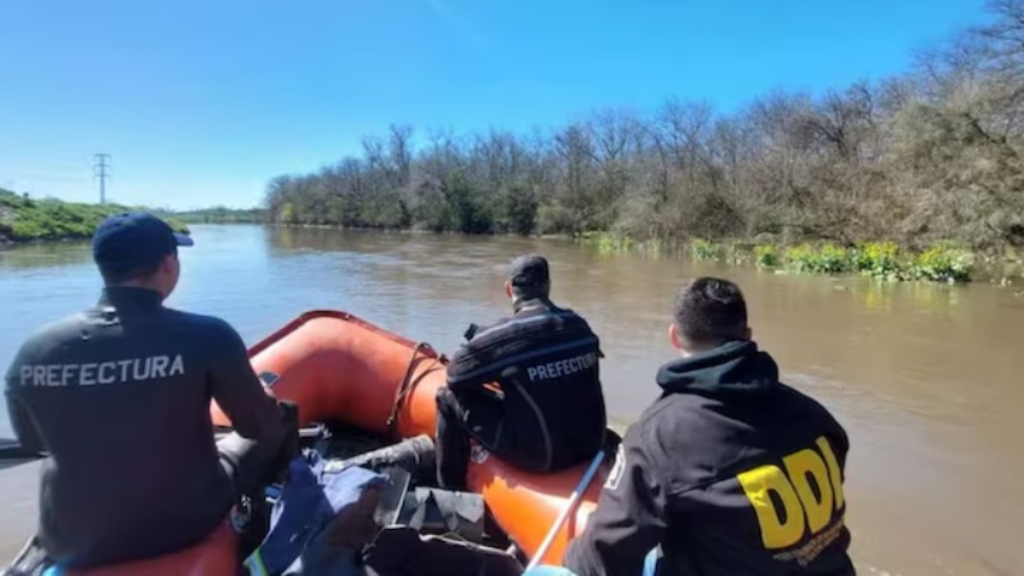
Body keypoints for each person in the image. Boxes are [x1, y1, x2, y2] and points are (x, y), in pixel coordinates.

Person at [3, 213, 297, 569]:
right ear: (169, 264)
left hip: (69, 536)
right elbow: (256, 426)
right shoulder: (208, 336)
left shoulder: (36, 348)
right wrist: (263, 401)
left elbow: (36, 444)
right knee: (280, 418)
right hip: (185, 523)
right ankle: (263, 522)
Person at [564, 277, 854, 576]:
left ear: (674, 337)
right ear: (747, 335)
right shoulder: (814, 414)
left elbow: (601, 559)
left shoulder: (659, 437)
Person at [435, 254, 607, 489]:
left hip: (544, 458)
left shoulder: (504, 335)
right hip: (592, 445)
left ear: (509, 289)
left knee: (447, 397)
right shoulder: (579, 324)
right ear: (548, 286)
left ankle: (449, 490)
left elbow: (455, 376)